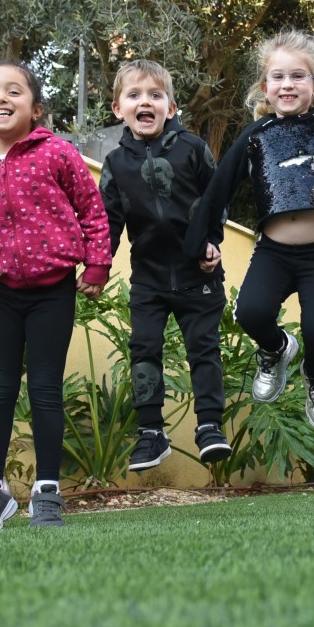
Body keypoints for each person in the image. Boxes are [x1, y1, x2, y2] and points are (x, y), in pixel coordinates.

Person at [0, 62, 112, 529]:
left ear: (35, 108)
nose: (0, 98)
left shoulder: (58, 153)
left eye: (14, 91)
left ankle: (47, 491)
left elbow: (93, 211)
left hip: (53, 291)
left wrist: (97, 264)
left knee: (45, 389)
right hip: (0, 293)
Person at [186, 30, 314, 429]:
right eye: (278, 77)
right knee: (251, 313)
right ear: (264, 87)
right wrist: (205, 239)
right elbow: (219, 187)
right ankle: (276, 350)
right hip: (273, 251)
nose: (287, 84)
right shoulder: (256, 135)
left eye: (298, 76)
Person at [99, 59, 231, 473]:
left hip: (199, 275)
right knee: (144, 349)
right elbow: (108, 223)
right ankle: (151, 433)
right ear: (118, 108)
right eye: (135, 95)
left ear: (171, 108)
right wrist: (96, 268)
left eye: (156, 95)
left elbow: (216, 200)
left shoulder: (192, 148)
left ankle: (210, 427)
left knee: (204, 350)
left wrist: (212, 243)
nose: (146, 102)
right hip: (149, 280)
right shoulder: (116, 164)